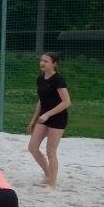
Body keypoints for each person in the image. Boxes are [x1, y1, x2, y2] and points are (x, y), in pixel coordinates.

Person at [27, 52, 72, 188]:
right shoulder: (40, 79)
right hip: (43, 117)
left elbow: (67, 102)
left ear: (54, 64)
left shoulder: (58, 79)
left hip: (57, 117)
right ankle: (48, 174)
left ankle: (52, 183)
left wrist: (48, 114)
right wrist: (33, 120)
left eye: (46, 61)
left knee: (51, 151)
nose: (42, 63)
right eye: (41, 60)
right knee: (32, 147)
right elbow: (41, 101)